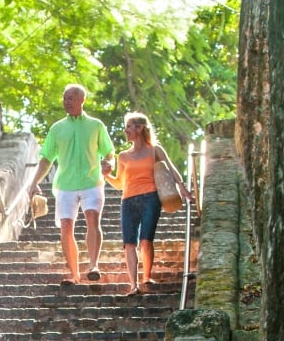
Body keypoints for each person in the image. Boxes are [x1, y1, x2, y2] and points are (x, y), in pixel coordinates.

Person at [29, 83, 115, 285]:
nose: (66, 102)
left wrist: (109, 163)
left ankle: (93, 265)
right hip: (65, 185)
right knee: (66, 227)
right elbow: (46, 159)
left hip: (92, 182)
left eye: (71, 98)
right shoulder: (57, 128)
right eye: (65, 98)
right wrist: (34, 182)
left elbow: (109, 152)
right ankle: (75, 275)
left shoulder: (96, 126)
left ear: (82, 100)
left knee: (92, 219)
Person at [102, 112, 194, 295]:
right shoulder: (123, 156)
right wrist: (106, 175)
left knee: (146, 240)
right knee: (129, 243)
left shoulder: (155, 150)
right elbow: (120, 183)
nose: (125, 130)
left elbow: (171, 169)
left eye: (129, 126)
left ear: (140, 128)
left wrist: (182, 188)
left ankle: (146, 276)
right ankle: (133, 285)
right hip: (128, 200)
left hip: (150, 197)